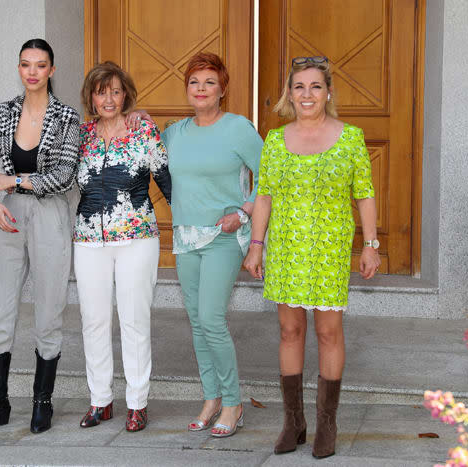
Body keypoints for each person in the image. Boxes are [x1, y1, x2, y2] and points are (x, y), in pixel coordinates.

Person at [243, 56, 380, 458]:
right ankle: (294, 421)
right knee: (289, 331)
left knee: (328, 332)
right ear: (289, 93)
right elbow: (263, 196)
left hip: (329, 251)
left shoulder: (351, 138)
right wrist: (256, 244)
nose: (307, 94)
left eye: (315, 86)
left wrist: (370, 245)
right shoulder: (274, 140)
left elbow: (364, 194)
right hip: (286, 249)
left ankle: (327, 424)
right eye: (299, 87)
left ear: (328, 92)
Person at [129, 52, 263, 438]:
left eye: (209, 82)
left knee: (212, 320)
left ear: (222, 90)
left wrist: (244, 211)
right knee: (198, 324)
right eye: (194, 82)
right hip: (186, 237)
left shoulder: (238, 128)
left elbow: (269, 177)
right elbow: (150, 144)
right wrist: (143, 117)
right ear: (187, 89)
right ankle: (211, 397)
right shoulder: (176, 133)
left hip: (224, 235)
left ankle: (234, 403)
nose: (201, 89)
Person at [0, 38, 80, 435]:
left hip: (50, 215)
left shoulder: (67, 117)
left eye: (40, 65)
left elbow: (63, 176)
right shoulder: (4, 113)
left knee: (49, 309)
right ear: (19, 69)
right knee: (0, 310)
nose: (32, 71)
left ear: (51, 70)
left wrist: (14, 179)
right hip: (8, 215)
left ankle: (41, 402)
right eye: (25, 64)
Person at [75, 61, 171, 432]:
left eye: (116, 91)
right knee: (94, 321)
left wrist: (192, 228)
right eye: (102, 91)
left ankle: (137, 402)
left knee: (133, 320)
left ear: (126, 94)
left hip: (136, 239)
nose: (109, 98)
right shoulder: (80, 135)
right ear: (91, 97)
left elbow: (166, 179)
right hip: (88, 240)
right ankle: (100, 400)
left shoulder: (143, 129)